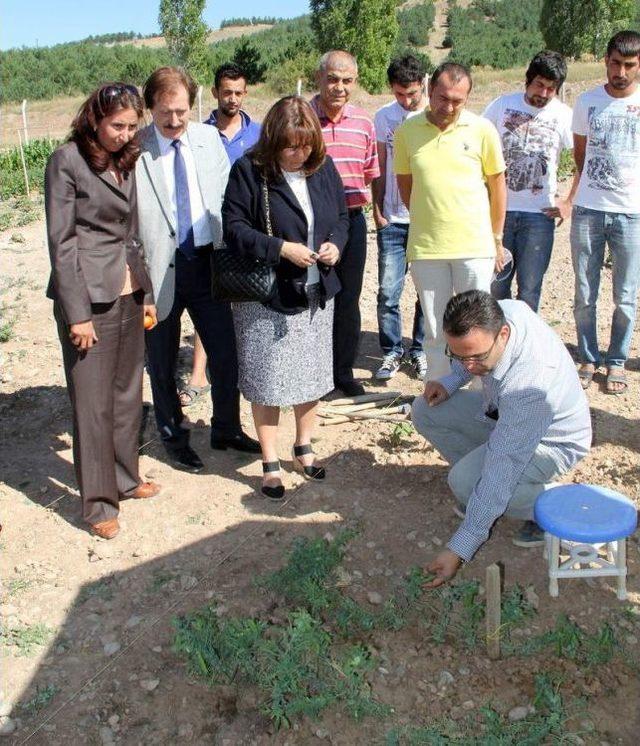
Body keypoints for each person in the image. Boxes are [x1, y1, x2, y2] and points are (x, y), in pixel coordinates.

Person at [412, 290, 592, 588]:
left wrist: (461, 545)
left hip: (551, 441)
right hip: (501, 417)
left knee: (468, 482)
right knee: (425, 410)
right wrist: (450, 381)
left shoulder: (531, 385)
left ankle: (554, 503)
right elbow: (468, 354)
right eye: (457, 355)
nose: (468, 365)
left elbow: (503, 464)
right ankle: (481, 495)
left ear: (503, 334)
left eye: (477, 357)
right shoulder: (500, 312)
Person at [45, 83, 161, 540]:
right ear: (94, 118)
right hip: (88, 299)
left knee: (128, 394)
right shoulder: (66, 160)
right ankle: (97, 505)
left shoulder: (126, 159)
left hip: (128, 292)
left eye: (132, 126)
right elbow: (62, 242)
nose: (124, 134)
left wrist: (146, 291)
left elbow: (132, 231)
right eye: (117, 125)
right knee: (92, 406)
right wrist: (77, 314)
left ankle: (126, 479)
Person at [223, 96, 349, 499]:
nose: (299, 154)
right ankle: (270, 461)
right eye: (291, 146)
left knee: (311, 375)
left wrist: (334, 246)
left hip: (315, 290)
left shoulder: (323, 168)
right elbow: (234, 227)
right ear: (274, 140)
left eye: (306, 145)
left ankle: (304, 447)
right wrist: (280, 248)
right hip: (268, 299)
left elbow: (343, 217)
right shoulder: (249, 170)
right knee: (269, 381)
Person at [136, 66, 259, 473]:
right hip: (159, 272)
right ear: (149, 106)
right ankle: (173, 436)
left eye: (181, 112)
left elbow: (228, 198)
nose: (174, 121)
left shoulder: (208, 140)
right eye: (164, 112)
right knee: (162, 358)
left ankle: (226, 428)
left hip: (209, 265)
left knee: (226, 354)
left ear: (193, 105)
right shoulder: (136, 149)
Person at [394, 62, 507, 381]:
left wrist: (496, 237)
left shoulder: (482, 129)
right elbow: (407, 186)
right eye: (442, 98)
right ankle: (439, 393)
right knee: (435, 328)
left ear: (468, 98)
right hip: (427, 248)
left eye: (458, 100)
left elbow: (497, 185)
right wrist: (430, 216)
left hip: (474, 247)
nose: (449, 106)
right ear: (430, 92)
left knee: (478, 328)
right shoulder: (407, 131)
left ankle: (480, 397)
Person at [179, 62, 263, 408]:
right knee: (211, 300)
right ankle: (199, 374)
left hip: (249, 230)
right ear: (214, 93)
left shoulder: (258, 134)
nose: (233, 98)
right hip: (212, 229)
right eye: (226, 92)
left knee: (252, 298)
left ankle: (250, 372)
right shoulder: (198, 133)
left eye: (239, 92)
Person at [570, 30, 640, 395]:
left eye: (629, 65)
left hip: (632, 215)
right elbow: (579, 155)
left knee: (626, 295)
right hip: (588, 210)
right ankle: (587, 355)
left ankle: (616, 360)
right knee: (585, 292)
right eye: (615, 63)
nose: (621, 72)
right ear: (606, 62)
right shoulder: (586, 102)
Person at [310, 50, 379, 396]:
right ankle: (314, 373)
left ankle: (342, 372)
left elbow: (370, 174)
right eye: (333, 79)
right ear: (319, 78)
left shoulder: (365, 123)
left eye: (347, 80)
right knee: (315, 298)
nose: (339, 87)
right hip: (312, 225)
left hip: (352, 222)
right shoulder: (303, 118)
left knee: (348, 300)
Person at [483, 50, 573, 312]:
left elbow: (585, 156)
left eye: (551, 89)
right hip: (500, 213)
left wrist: (569, 201)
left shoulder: (564, 115)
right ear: (528, 80)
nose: (543, 94)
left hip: (539, 216)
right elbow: (478, 149)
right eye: (539, 85)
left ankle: (524, 347)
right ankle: (496, 348)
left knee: (530, 290)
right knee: (496, 285)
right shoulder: (500, 106)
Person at [372, 55, 427, 381]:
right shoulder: (384, 117)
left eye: (412, 94)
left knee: (426, 292)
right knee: (387, 292)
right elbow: (379, 165)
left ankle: (419, 350)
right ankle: (391, 352)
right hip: (392, 218)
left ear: (423, 83)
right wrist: (377, 209)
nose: (406, 101)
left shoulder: (432, 115)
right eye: (399, 95)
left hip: (424, 221)